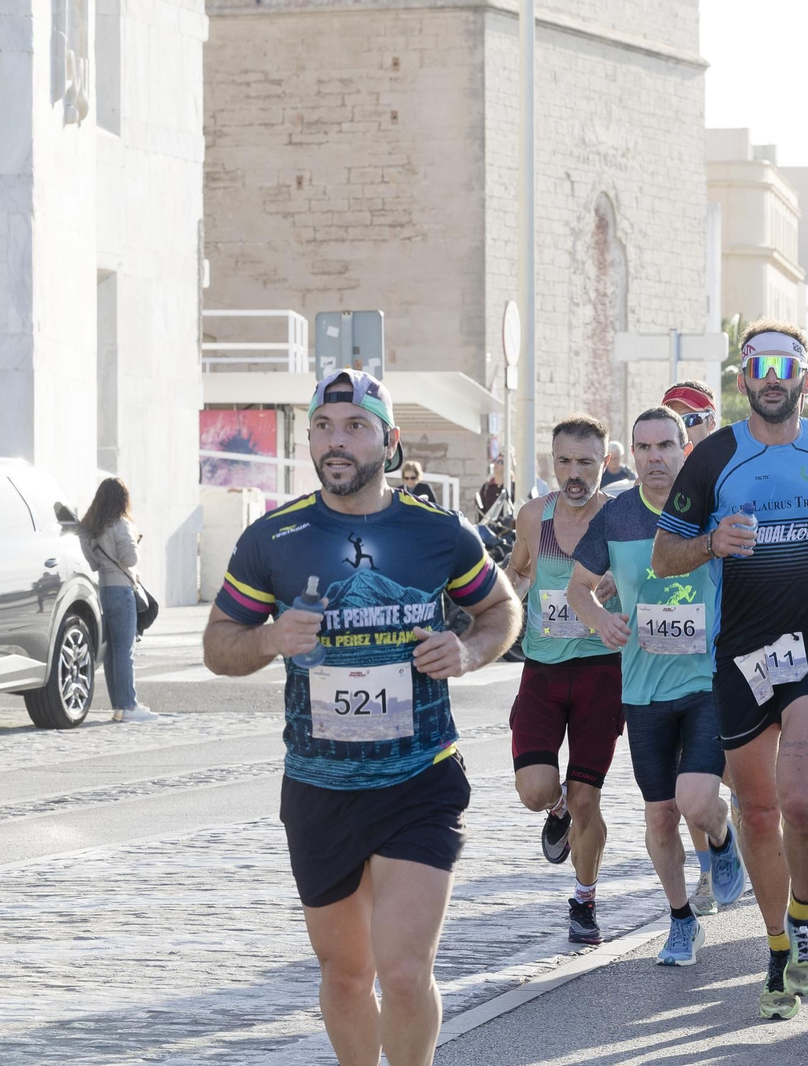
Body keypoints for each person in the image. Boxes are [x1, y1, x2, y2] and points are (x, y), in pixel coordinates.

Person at [201, 369, 520, 1066]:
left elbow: (502, 610)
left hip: (420, 779)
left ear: (390, 441)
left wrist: (466, 649)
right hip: (320, 788)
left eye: (354, 427)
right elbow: (217, 645)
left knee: (405, 974)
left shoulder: (439, 532)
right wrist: (266, 639)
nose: (335, 442)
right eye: (323, 427)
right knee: (347, 976)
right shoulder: (274, 538)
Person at [653, 318, 808, 1020]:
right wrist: (713, 542)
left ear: (804, 379)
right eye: (760, 369)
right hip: (739, 653)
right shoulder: (715, 455)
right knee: (754, 812)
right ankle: (779, 946)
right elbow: (666, 554)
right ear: (743, 377)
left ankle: (807, 919)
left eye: (787, 370)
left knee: (795, 799)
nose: (773, 382)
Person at [567, 406, 747, 966]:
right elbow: (578, 589)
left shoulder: (711, 508)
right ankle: (680, 921)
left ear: (683, 450)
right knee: (660, 815)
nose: (654, 458)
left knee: (696, 800)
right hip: (642, 690)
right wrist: (600, 619)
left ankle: (720, 839)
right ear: (634, 455)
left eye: (665, 446)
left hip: (706, 681)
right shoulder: (616, 516)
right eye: (644, 448)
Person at [504, 415, 623, 945]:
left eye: (586, 463)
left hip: (601, 672)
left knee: (586, 802)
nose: (574, 474)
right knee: (536, 791)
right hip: (542, 671)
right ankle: (553, 810)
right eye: (565, 462)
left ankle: (583, 900)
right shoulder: (534, 515)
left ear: (604, 463)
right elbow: (521, 570)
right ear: (553, 461)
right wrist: (497, 602)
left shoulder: (622, 518)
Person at [662, 379, 730, 914]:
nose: (687, 433)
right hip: (675, 664)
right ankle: (710, 871)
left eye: (696, 420)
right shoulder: (651, 493)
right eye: (675, 423)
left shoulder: (733, 479)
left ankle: (750, 845)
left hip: (739, 649)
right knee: (690, 783)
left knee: (743, 776)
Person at [80, 477, 156, 723]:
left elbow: (92, 561)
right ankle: (129, 706)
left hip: (104, 589)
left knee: (112, 651)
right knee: (125, 651)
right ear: (123, 499)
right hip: (122, 590)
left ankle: (119, 706)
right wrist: (136, 543)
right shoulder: (121, 524)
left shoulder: (93, 528)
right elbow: (130, 559)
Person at [663, 380, 720, 447]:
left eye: (689, 419)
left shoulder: (728, 456)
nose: (679, 428)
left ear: (711, 422)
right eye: (670, 421)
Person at [475, 456, 506, 521]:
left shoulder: (512, 487)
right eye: (495, 461)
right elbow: (481, 510)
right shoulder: (486, 487)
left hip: (506, 528)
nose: (496, 464)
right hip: (489, 526)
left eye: (500, 462)